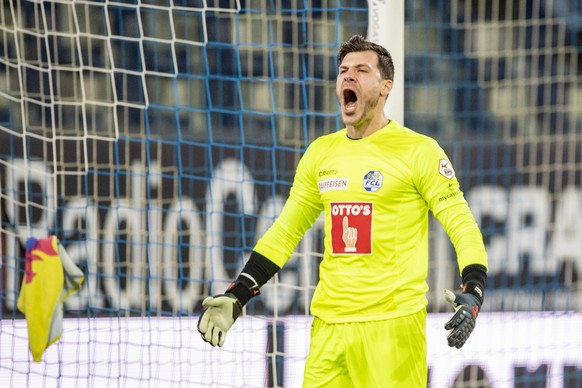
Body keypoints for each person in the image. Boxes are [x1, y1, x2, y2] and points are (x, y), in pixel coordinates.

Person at [198, 34, 488, 387]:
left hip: (392, 329)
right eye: (343, 71)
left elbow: (460, 221)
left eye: (361, 70)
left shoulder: (419, 151)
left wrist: (473, 290)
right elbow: (286, 230)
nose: (348, 76)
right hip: (328, 328)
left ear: (385, 88)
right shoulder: (321, 153)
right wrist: (238, 294)